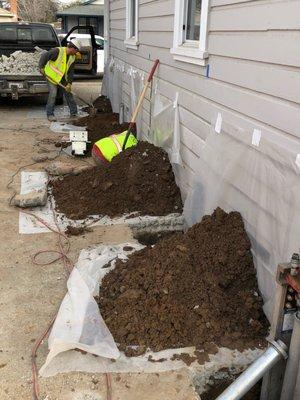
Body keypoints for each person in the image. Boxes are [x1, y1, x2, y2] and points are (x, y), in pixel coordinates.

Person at [39, 40, 82, 122]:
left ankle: (74, 113)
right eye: (77, 50)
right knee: (53, 93)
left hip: (62, 78)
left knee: (68, 93)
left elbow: (71, 72)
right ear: (73, 48)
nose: (77, 53)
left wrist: (69, 83)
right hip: (51, 76)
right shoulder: (57, 51)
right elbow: (44, 56)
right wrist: (41, 67)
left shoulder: (72, 57)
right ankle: (50, 114)